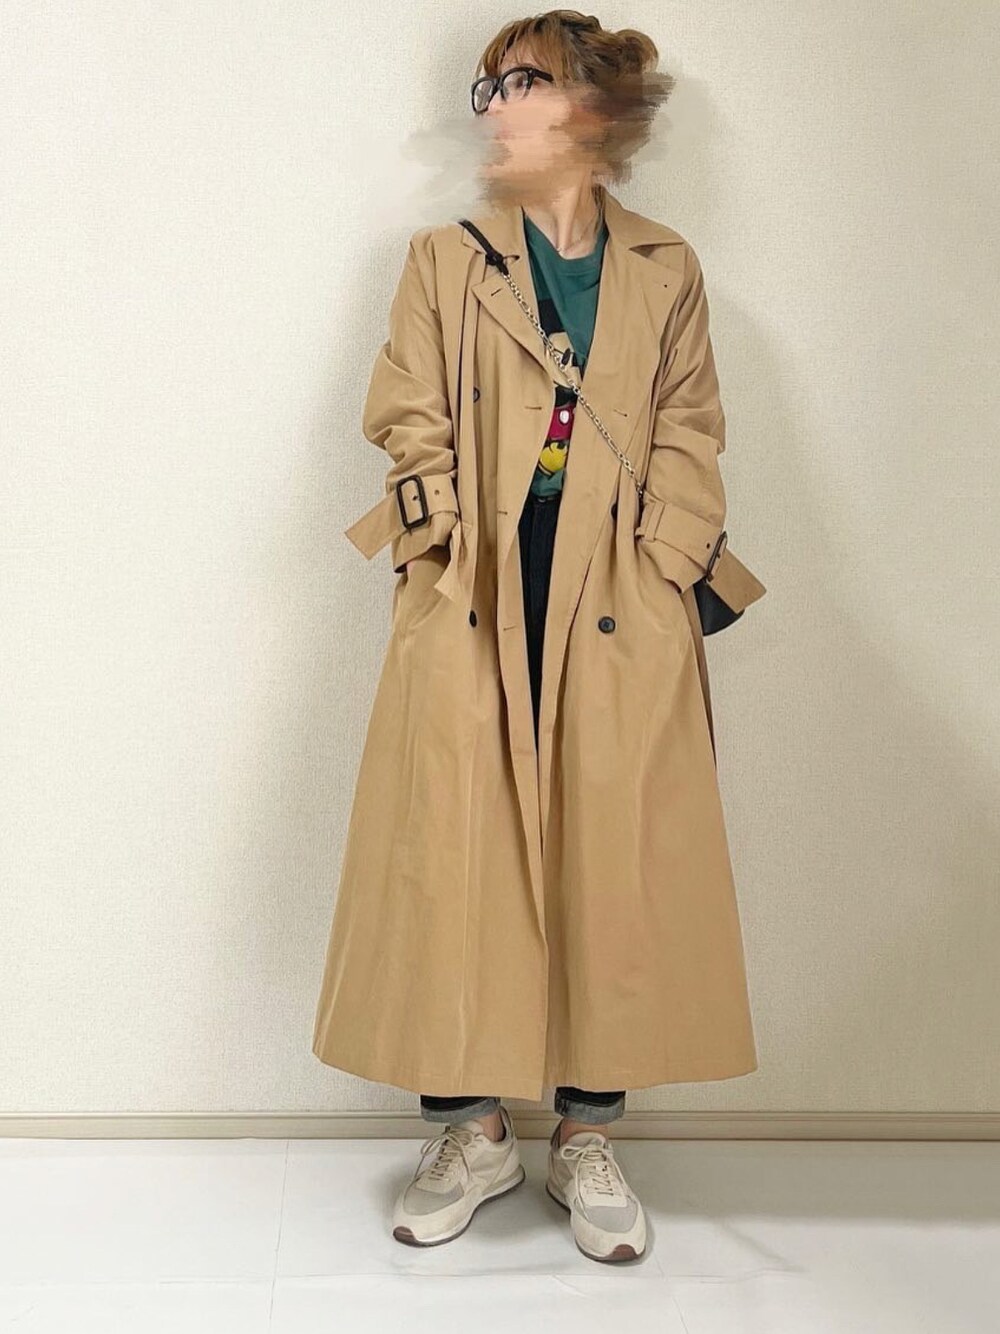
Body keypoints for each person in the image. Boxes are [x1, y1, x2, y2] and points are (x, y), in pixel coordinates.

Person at [313, 10, 762, 1265]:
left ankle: (586, 1133)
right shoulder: (443, 260)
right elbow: (405, 409)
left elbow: (690, 424)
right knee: (450, 851)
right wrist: (438, 543)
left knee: (611, 856)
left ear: (594, 109)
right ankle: (467, 1130)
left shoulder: (664, 267)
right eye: (487, 85)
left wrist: (666, 563)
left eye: (522, 81)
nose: (495, 105)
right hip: (474, 592)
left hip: (617, 594)